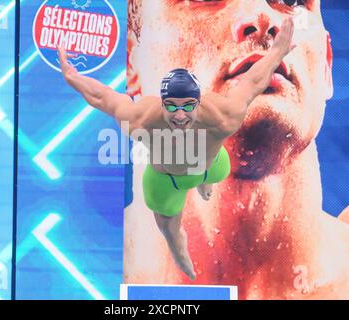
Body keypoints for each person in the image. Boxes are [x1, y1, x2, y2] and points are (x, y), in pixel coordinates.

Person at [124, 0, 349, 299]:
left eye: (290, 0)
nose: (261, 17)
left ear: (326, 65)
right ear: (132, 65)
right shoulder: (76, 276)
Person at [58, 17, 296, 280]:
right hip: (165, 180)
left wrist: (277, 52)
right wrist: (72, 76)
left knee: (212, 171)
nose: (180, 115)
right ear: (162, 103)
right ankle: (182, 257)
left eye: (187, 106)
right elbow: (102, 97)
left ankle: (205, 183)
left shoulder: (222, 116)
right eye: (172, 106)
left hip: (210, 166)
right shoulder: (141, 118)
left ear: (198, 102)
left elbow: (253, 82)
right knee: (171, 233)